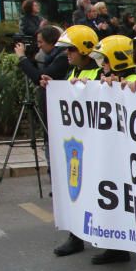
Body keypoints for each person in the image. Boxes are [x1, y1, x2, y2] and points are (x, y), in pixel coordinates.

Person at [46, 25, 102, 258]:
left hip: (95, 146)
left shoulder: (99, 73)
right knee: (76, 192)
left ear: (85, 49)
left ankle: (111, 243)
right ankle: (75, 235)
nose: (67, 55)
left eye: (71, 50)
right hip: (78, 145)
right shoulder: (73, 73)